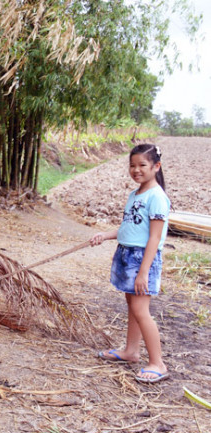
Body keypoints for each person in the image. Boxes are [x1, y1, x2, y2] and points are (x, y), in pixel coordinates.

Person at [90, 144, 170, 383]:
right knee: (132, 307)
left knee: (141, 310)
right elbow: (130, 228)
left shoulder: (157, 197)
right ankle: (130, 351)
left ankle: (158, 363)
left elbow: (154, 238)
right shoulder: (135, 195)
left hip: (142, 258)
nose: (136, 170)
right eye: (132, 165)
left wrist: (143, 272)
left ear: (156, 167)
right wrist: (105, 235)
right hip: (126, 254)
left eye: (142, 165)